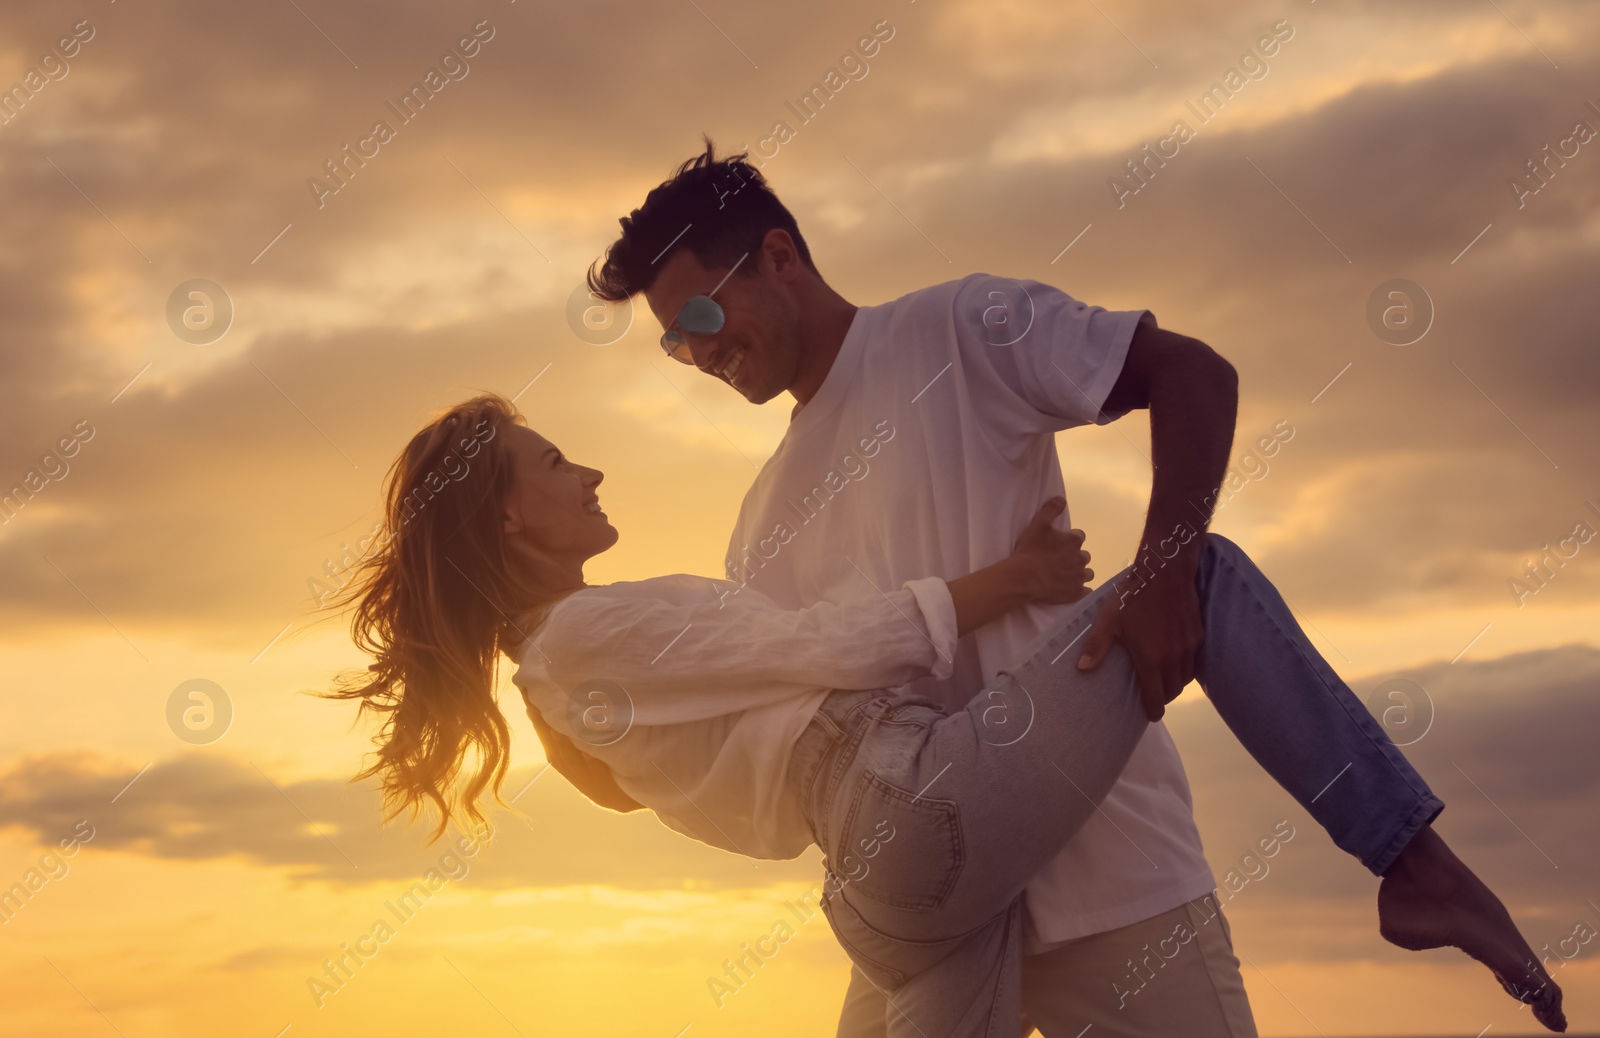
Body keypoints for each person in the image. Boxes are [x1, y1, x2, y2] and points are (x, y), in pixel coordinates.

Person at [322, 395, 1566, 1038]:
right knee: (1199, 574)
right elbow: (807, 646)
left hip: (884, 881)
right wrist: (1007, 586)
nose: (587, 471)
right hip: (908, 806)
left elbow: (713, 743)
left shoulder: (572, 668)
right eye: (553, 464)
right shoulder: (581, 640)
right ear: (505, 521)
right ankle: (1414, 862)